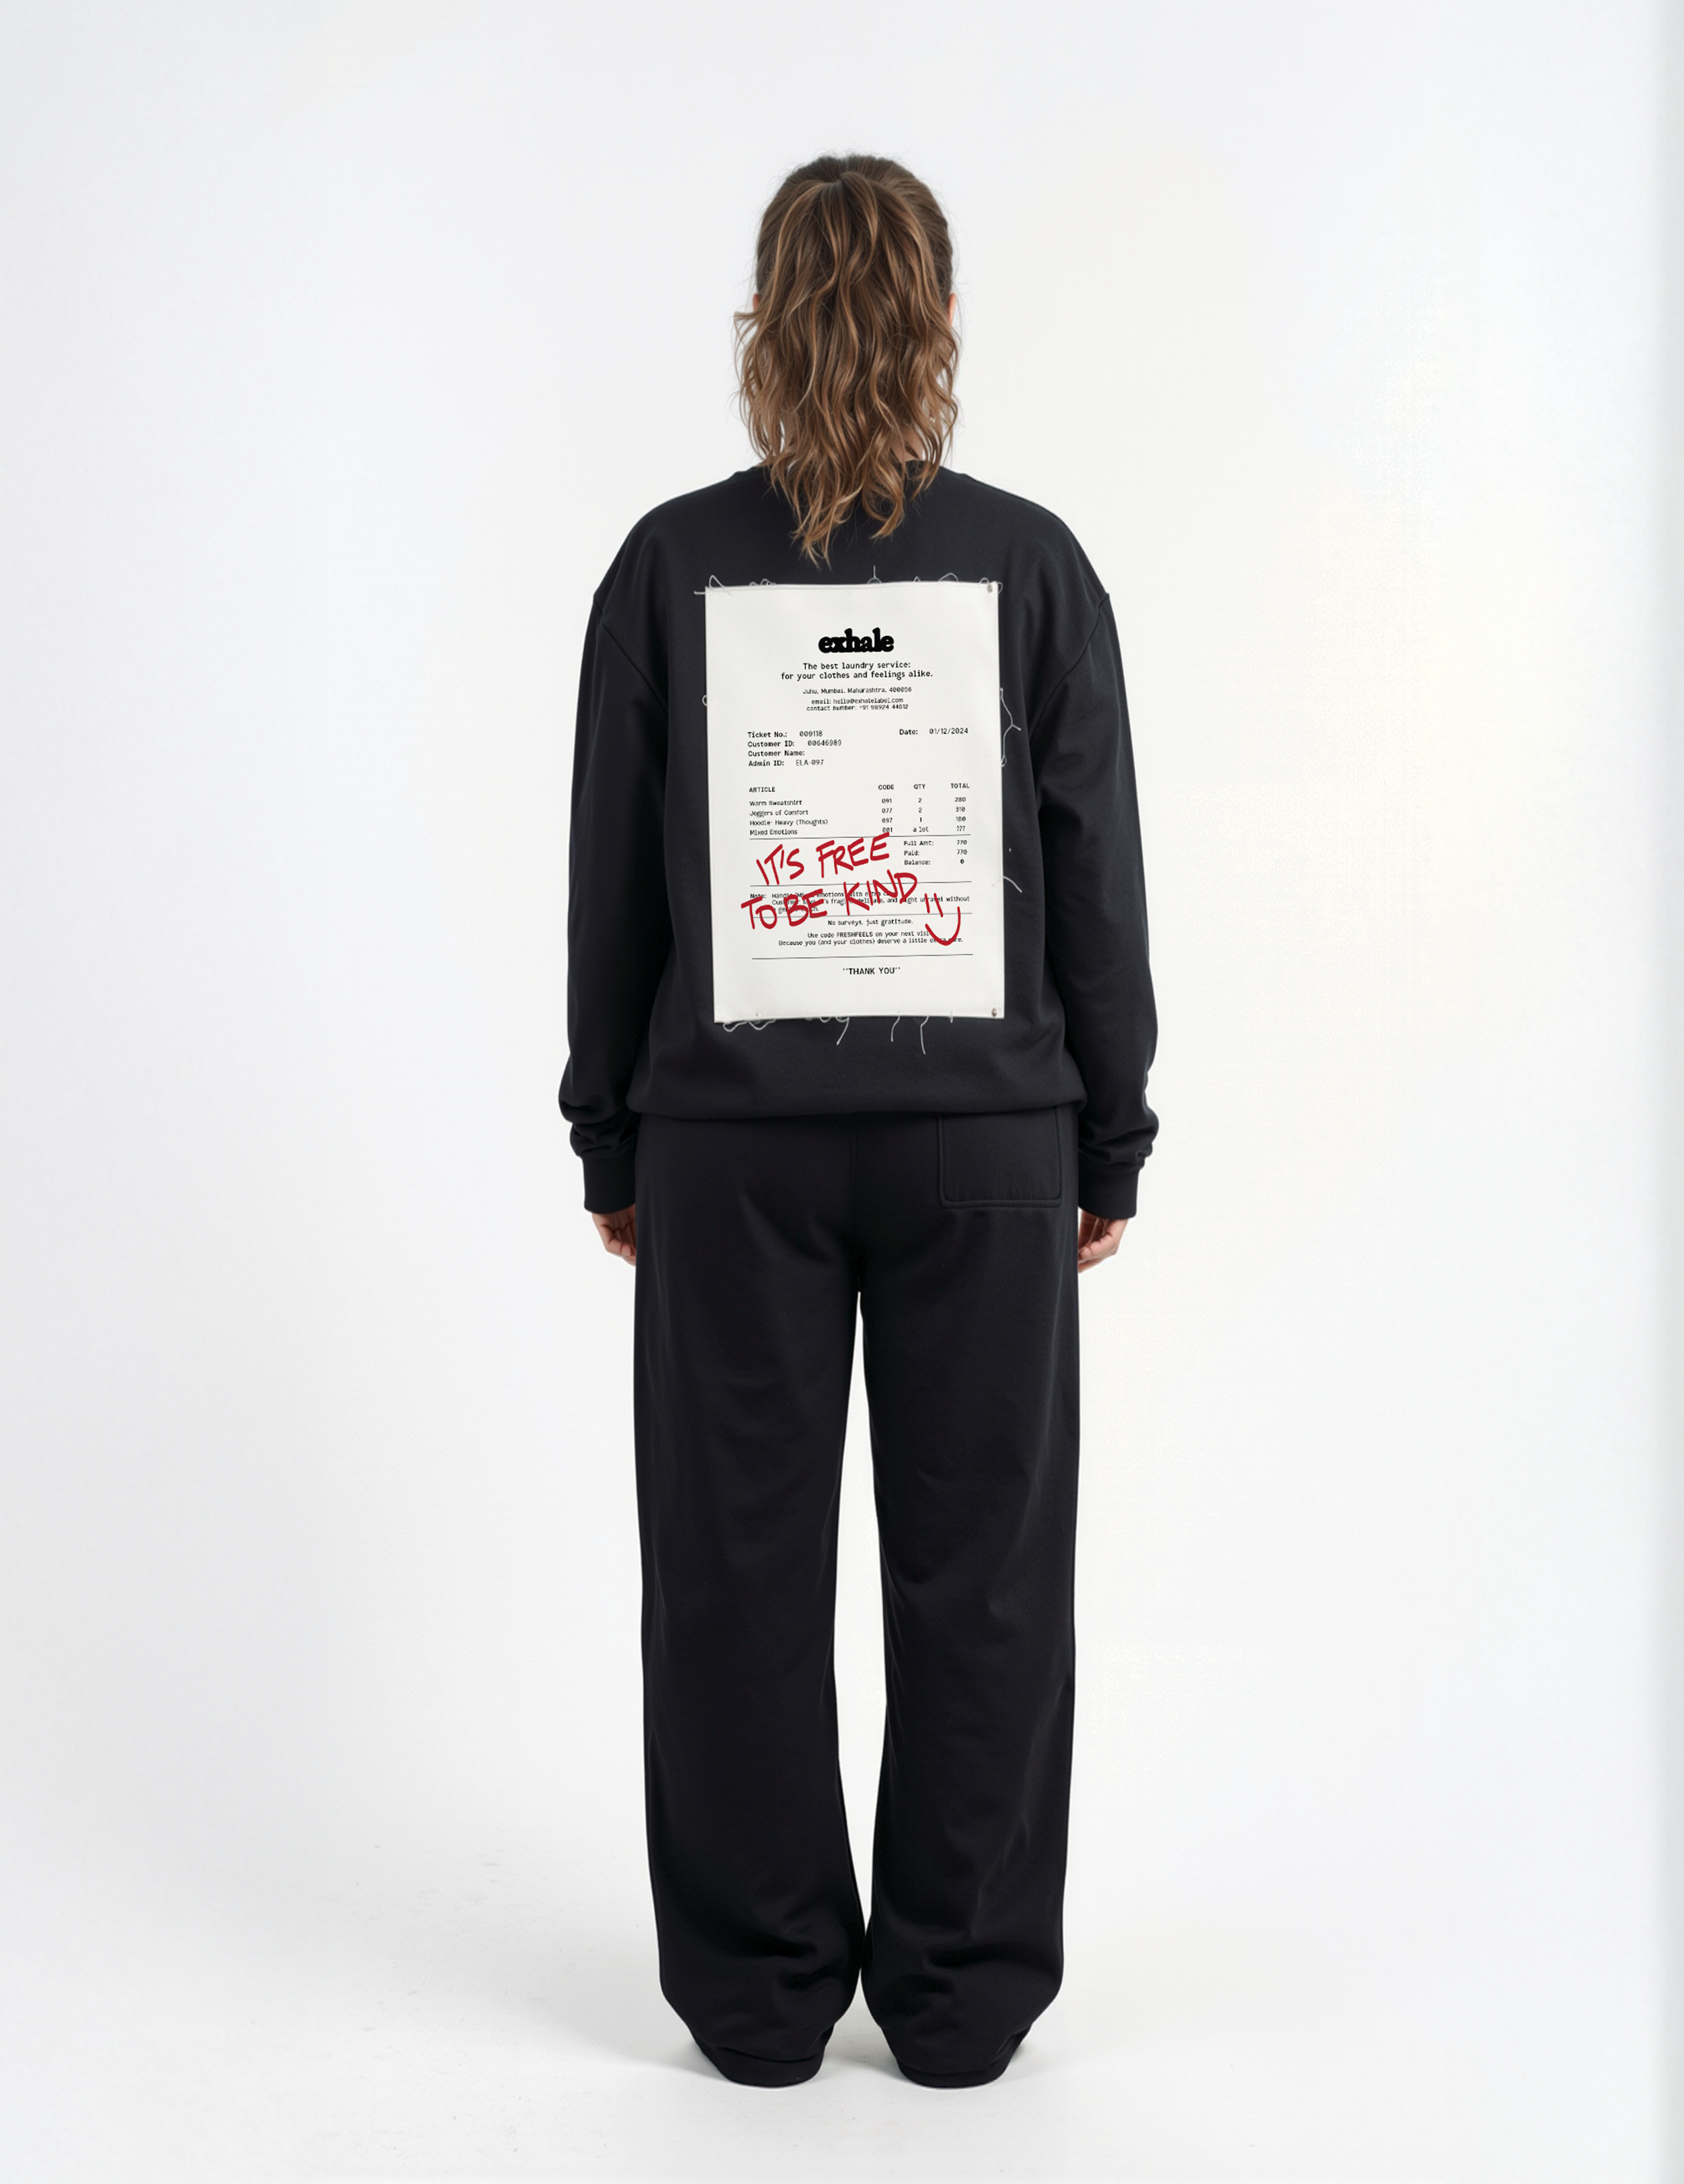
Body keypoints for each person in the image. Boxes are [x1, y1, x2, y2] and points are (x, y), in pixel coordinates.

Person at [560, 154, 1157, 2091]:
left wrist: (612, 1135)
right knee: (983, 1575)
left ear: (761, 323)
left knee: (729, 1571)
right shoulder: (1031, 566)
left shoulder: (668, 566)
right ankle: (960, 2001)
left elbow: (610, 882)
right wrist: (1108, 1133)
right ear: (942, 324)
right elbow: (1092, 868)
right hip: (984, 1144)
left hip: (728, 1147)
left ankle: (756, 2004)